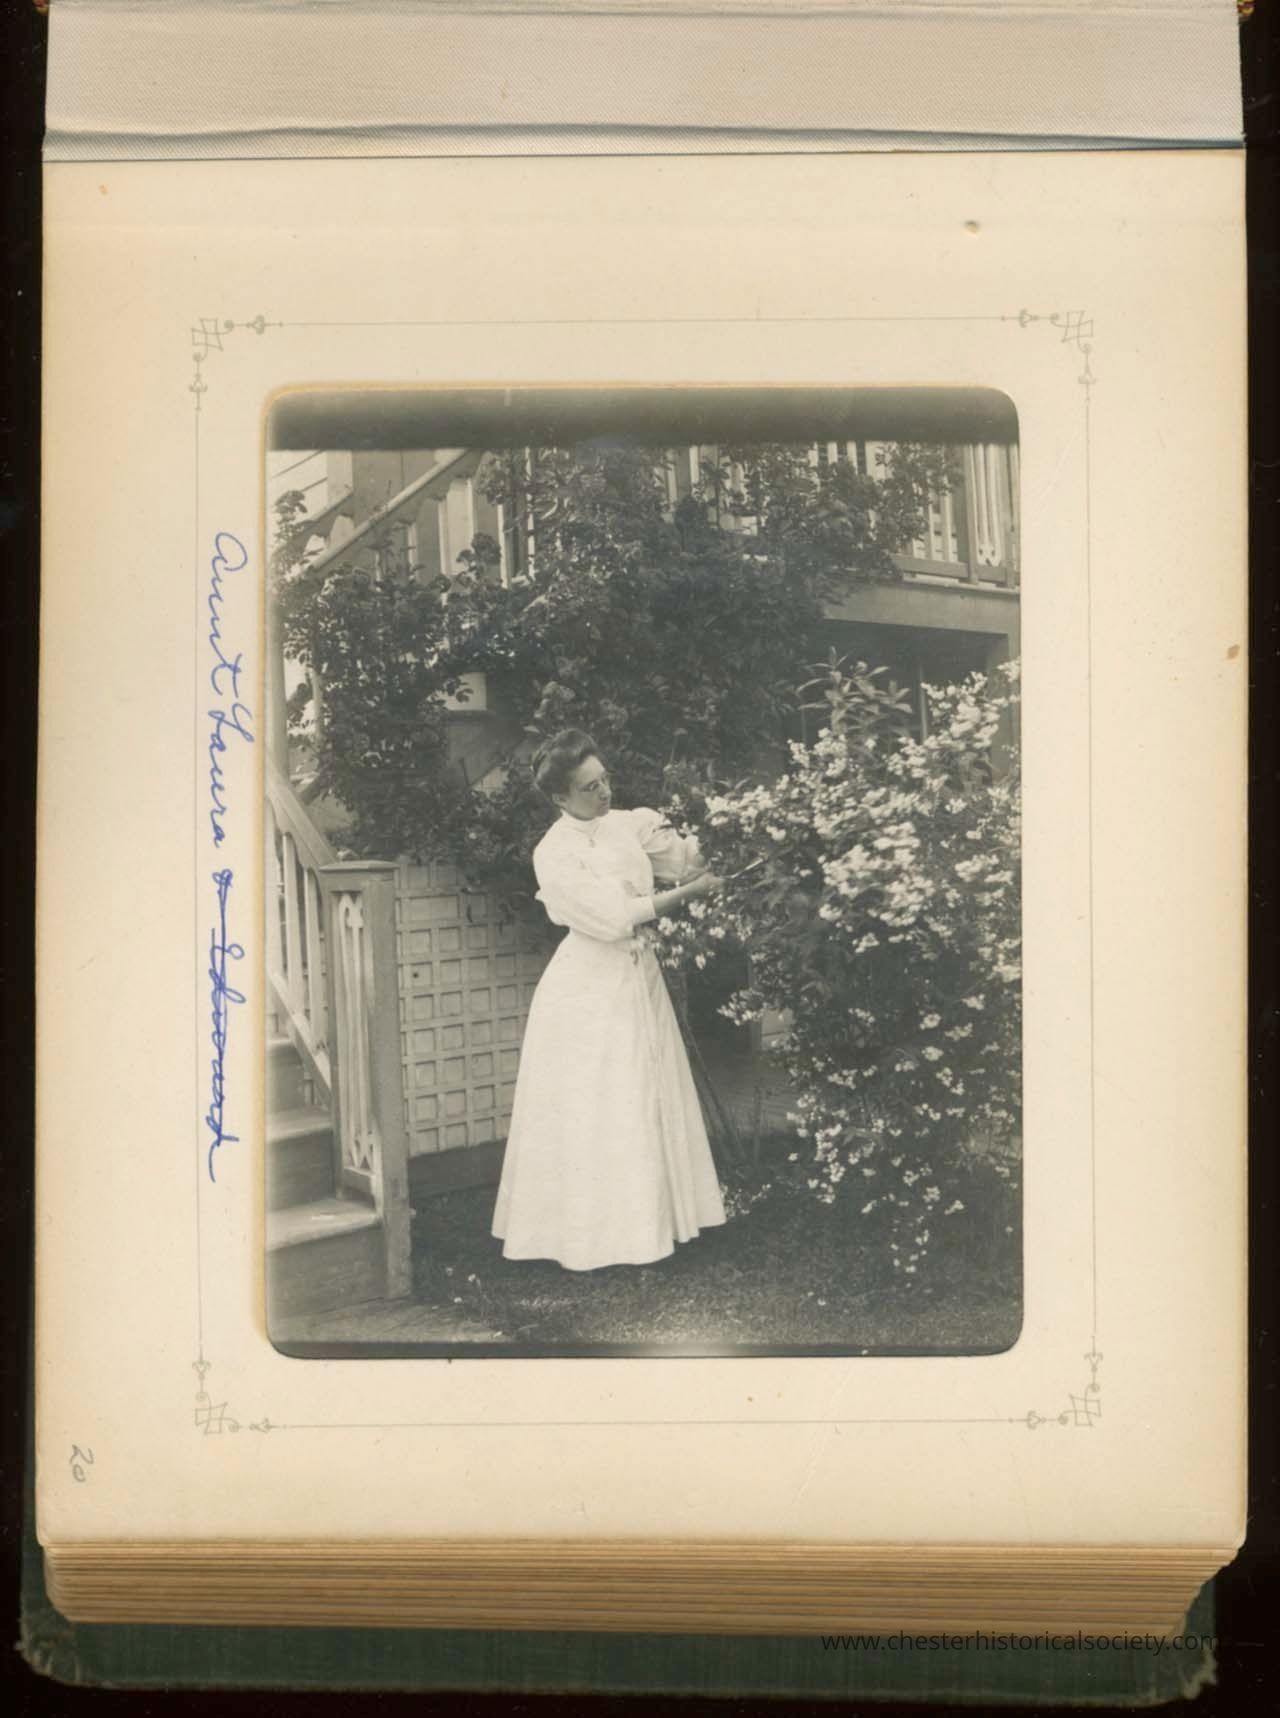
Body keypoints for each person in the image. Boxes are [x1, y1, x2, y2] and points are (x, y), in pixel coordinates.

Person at [491, 729, 727, 1271]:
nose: (603, 793)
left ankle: (657, 1224)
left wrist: (721, 832)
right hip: (588, 988)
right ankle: (594, 1235)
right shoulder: (553, 853)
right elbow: (611, 917)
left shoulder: (628, 824)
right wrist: (688, 894)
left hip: (638, 975)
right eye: (589, 787)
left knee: (647, 1090)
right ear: (560, 797)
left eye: (604, 780)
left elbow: (686, 859)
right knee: (602, 1101)